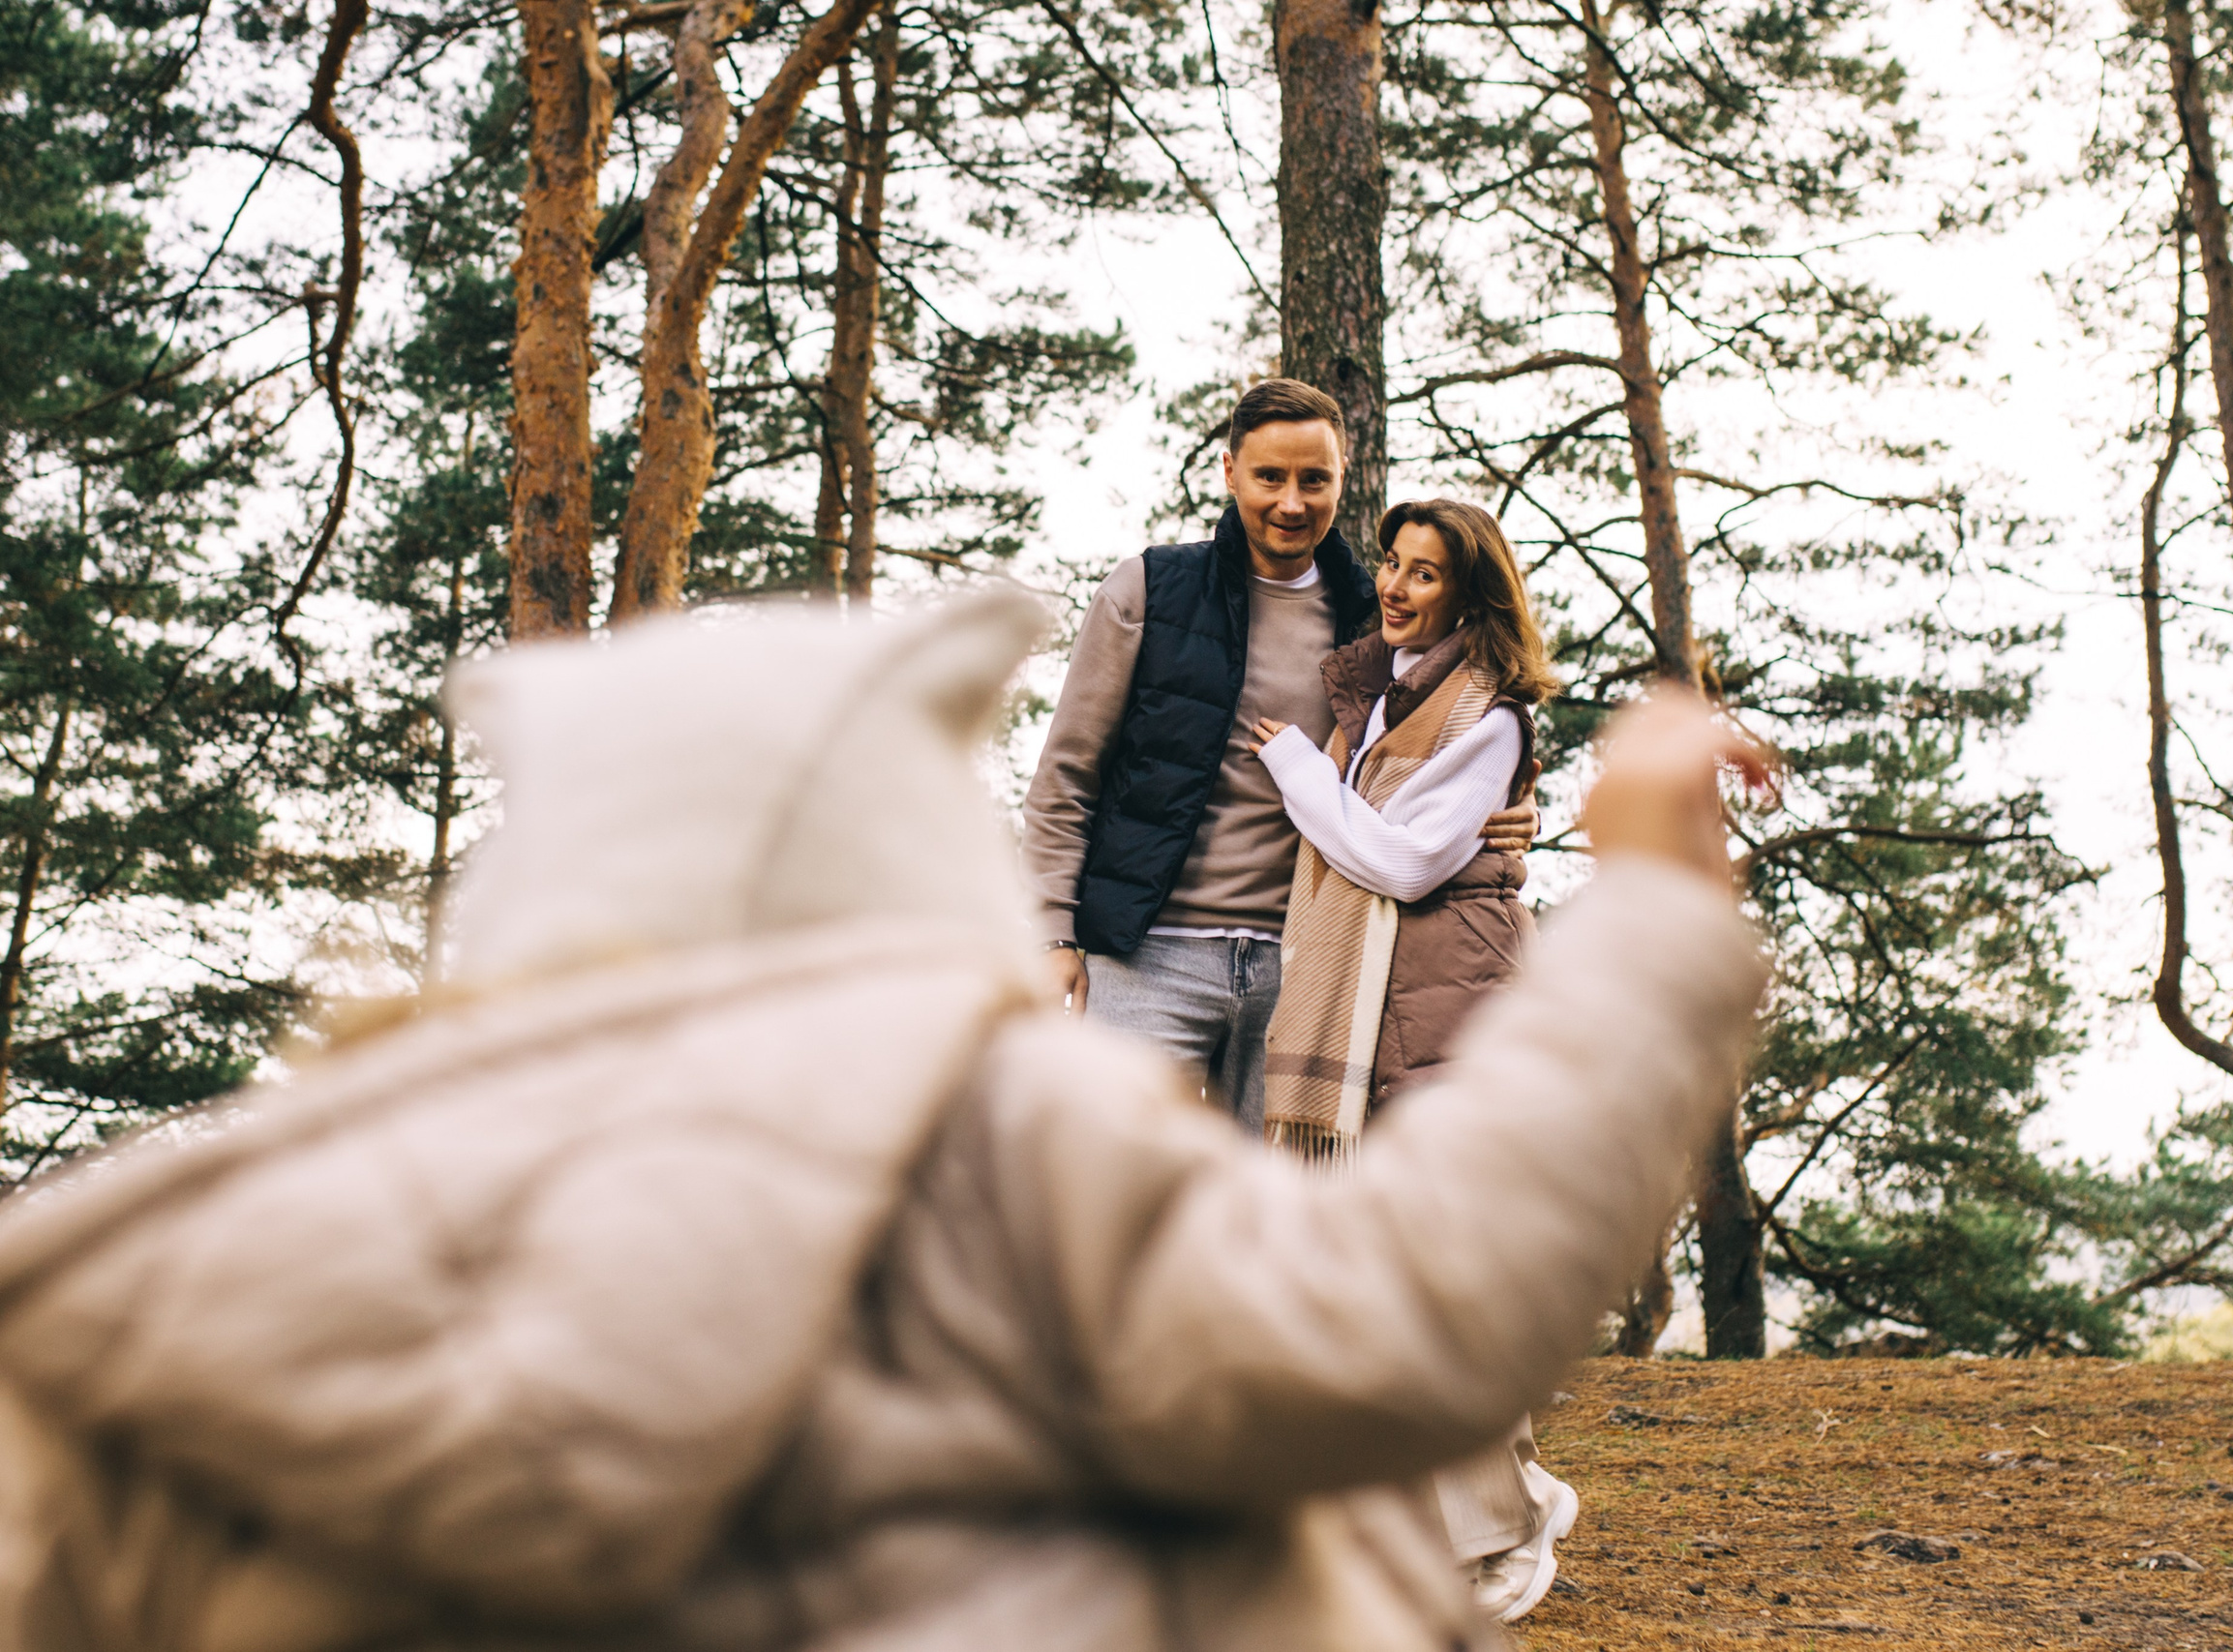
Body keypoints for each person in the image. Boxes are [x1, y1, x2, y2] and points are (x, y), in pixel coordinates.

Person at [0, 592, 1765, 1652]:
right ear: (910, 871)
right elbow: (1402, 1312)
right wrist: (1656, 913)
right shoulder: (988, 1132)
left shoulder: (175, 1288)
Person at [1021, 378, 1533, 1129]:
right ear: (1230, 473)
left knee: (1279, 1195)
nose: (1292, 503)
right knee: (1115, 1181)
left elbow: (1456, 735)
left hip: (1302, 967)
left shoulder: (1375, 615)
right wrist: (1052, 933)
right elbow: (1066, 776)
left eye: (1313, 480)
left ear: (1342, 478)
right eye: (1270, 477)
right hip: (1144, 957)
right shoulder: (1149, 591)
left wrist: (1514, 807)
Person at [1247, 498, 1573, 1621]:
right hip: (1379, 1004)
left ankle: (1505, 1530)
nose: (1394, 585)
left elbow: (1398, 859)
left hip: (1450, 1003)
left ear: (1470, 596)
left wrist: (1296, 769)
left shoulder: (1488, 716)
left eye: (1425, 573)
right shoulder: (1383, 699)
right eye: (1391, 563)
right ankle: (1477, 1511)